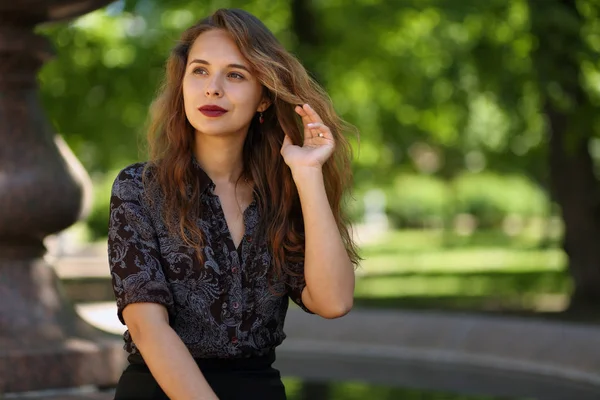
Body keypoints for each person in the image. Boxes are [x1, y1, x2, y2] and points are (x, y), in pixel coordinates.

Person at [107, 7, 360, 400]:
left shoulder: (282, 194)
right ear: (183, 85)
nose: (213, 88)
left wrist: (308, 175)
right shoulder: (138, 189)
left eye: (236, 75)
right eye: (200, 70)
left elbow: (334, 301)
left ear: (263, 98)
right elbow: (147, 327)